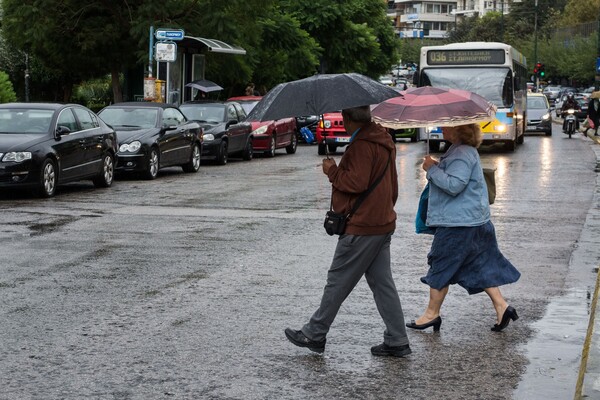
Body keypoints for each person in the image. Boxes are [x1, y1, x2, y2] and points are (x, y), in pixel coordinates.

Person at [284, 105, 411, 357]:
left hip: (362, 226)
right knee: (383, 284)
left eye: (343, 117)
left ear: (349, 118)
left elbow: (356, 182)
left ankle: (315, 333)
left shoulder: (363, 145)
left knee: (338, 280)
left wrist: (332, 171)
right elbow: (392, 186)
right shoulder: (383, 139)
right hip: (381, 222)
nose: (342, 121)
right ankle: (397, 339)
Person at [407, 124, 520, 333]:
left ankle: (431, 314)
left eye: (447, 126)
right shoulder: (463, 151)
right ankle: (502, 307)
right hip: (473, 221)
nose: (442, 128)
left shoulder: (461, 153)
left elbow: (454, 185)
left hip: (458, 224)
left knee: (441, 264)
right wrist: (437, 165)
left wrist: (431, 169)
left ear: (458, 131)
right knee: (479, 264)